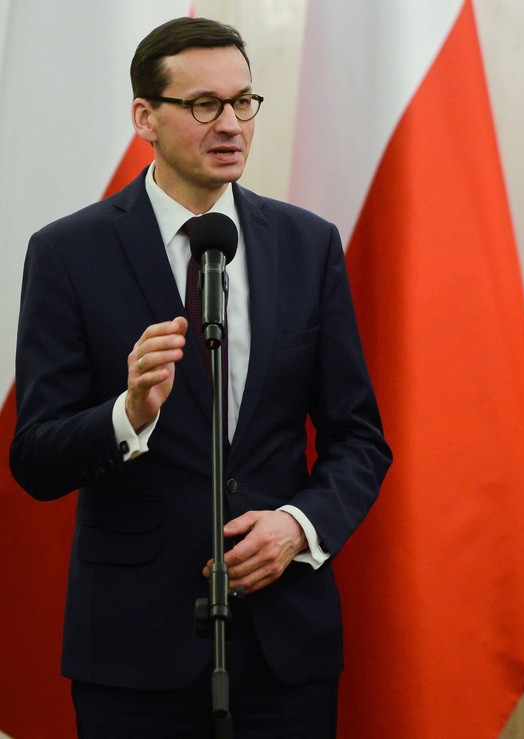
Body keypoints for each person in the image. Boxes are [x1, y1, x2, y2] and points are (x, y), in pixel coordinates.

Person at [9, 17, 390, 737]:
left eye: (243, 101)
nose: (232, 125)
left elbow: (359, 438)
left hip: (285, 651)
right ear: (145, 118)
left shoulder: (307, 245)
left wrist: (299, 526)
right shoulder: (69, 253)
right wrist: (128, 414)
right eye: (205, 104)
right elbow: (35, 457)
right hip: (135, 654)